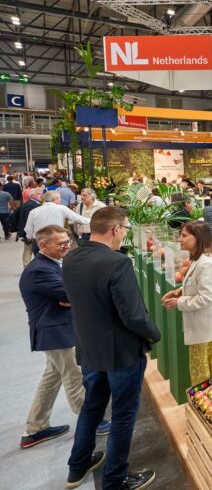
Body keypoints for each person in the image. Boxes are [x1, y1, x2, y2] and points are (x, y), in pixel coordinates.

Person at [64, 207, 160, 490]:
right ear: (116, 229)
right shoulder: (117, 263)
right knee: (123, 415)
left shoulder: (70, 258)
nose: (125, 235)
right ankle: (115, 480)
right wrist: (153, 335)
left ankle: (77, 465)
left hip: (89, 349)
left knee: (92, 407)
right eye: (126, 229)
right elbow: (132, 314)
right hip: (121, 353)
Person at [19, 225, 110, 450]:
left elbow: (70, 293)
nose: (66, 246)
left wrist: (73, 297)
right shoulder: (39, 269)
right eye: (60, 243)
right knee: (74, 377)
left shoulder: (50, 265)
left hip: (58, 330)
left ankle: (35, 428)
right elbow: (72, 293)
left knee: (51, 379)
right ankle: (92, 421)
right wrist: (76, 296)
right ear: (43, 245)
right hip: (57, 333)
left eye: (67, 241)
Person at [161, 221, 212, 384]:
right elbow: (198, 284)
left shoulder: (206, 263)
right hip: (208, 324)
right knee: (205, 370)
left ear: (198, 237)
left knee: (208, 372)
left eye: (184, 236)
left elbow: (208, 297)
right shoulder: (198, 258)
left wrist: (179, 302)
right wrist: (180, 290)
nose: (180, 239)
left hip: (210, 326)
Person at [24, 190, 89, 255]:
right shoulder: (62, 208)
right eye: (60, 198)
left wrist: (29, 237)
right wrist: (92, 220)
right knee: (57, 260)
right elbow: (77, 218)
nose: (60, 200)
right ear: (56, 199)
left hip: (39, 241)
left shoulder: (34, 211)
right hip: (56, 240)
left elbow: (28, 228)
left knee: (41, 261)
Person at [16, 188, 43, 266]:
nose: (41, 195)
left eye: (41, 193)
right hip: (30, 233)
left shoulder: (31, 204)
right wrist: (30, 234)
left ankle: (27, 267)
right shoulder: (31, 205)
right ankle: (27, 268)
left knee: (28, 250)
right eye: (38, 193)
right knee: (29, 250)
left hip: (30, 233)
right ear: (31, 195)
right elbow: (30, 221)